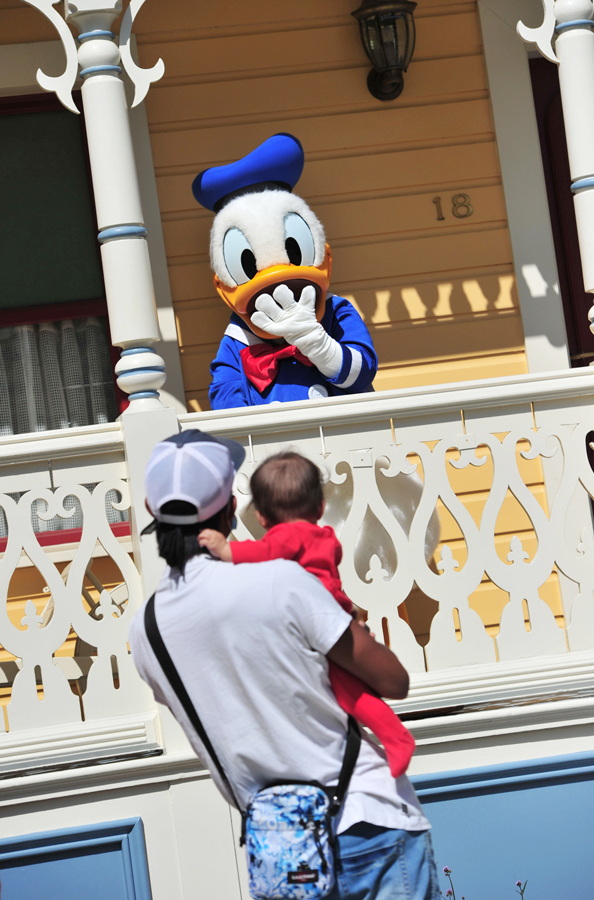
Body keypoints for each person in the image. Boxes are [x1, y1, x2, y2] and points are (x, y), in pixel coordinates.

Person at [129, 429, 438, 900]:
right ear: (233, 510)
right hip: (366, 821)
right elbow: (393, 680)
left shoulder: (146, 630)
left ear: (153, 513)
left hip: (283, 851)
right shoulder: (281, 582)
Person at [198, 450, 416, 779]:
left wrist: (224, 549)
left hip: (320, 617)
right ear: (321, 507)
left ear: (261, 517)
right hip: (334, 609)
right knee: (347, 687)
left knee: (346, 690)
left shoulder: (287, 536)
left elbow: (265, 551)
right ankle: (389, 736)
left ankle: (395, 737)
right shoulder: (322, 536)